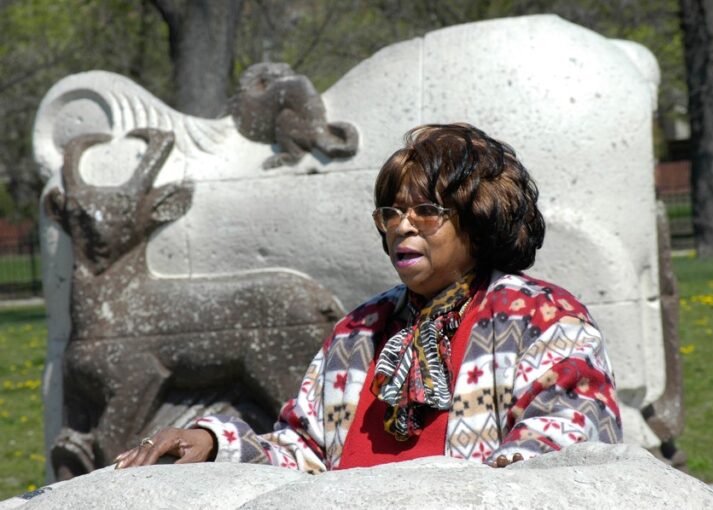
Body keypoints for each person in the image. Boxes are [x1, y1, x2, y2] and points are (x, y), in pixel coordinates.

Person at [115, 123, 621, 472]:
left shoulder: (543, 317)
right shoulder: (359, 330)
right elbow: (305, 451)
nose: (402, 226)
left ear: (477, 217)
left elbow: (569, 436)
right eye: (390, 213)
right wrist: (212, 443)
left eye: (425, 211)